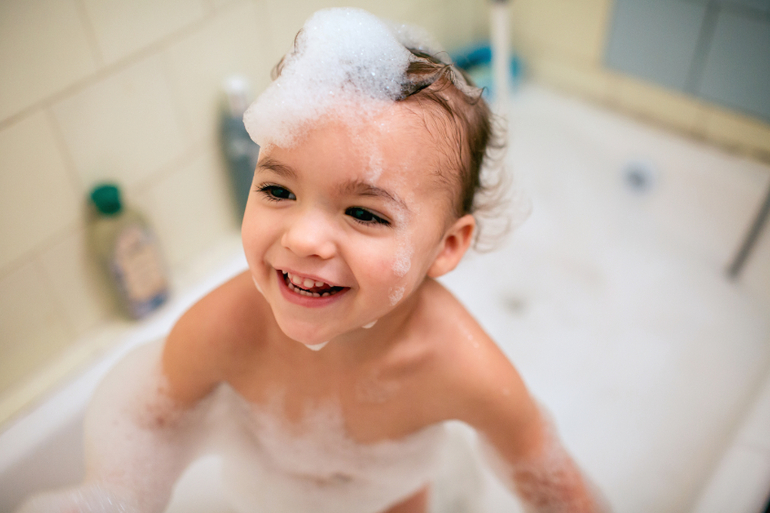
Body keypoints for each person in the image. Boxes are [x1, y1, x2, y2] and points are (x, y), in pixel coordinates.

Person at [18, 8, 607, 513]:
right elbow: (149, 422)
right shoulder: (226, 327)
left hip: (393, 498)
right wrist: (114, 493)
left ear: (448, 247)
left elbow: (554, 487)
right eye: (278, 190)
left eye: (365, 213)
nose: (302, 239)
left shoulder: (459, 365)